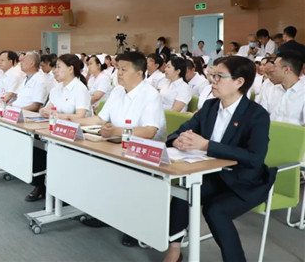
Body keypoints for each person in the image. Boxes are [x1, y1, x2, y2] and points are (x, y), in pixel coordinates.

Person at [164, 56, 275, 262]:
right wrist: (177, 140)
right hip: (213, 175)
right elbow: (180, 131)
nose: (212, 81)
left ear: (239, 82)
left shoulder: (256, 115)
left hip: (245, 181)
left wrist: (207, 145)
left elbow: (254, 158)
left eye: (219, 77)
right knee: (183, 194)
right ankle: (174, 250)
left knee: (216, 210)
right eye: (212, 76)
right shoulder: (210, 106)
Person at [70, 51, 166, 245]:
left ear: (139, 73)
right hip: (116, 145)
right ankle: (106, 214)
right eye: (118, 68)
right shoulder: (117, 91)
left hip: (145, 152)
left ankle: (136, 227)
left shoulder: (150, 95)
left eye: (124, 69)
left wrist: (117, 131)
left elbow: (149, 131)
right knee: (94, 165)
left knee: (126, 177)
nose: (119, 73)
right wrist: (73, 121)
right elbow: (100, 119)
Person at [29, 54, 90, 203]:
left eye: (58, 67)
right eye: (55, 67)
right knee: (34, 143)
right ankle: (40, 184)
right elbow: (47, 108)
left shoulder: (80, 89)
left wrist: (58, 115)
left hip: (76, 135)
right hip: (56, 130)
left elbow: (80, 116)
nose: (54, 71)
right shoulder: (57, 89)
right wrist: (44, 111)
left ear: (70, 69)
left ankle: (62, 192)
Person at [265, 51, 305, 125]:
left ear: (286, 70)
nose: (272, 70)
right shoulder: (275, 90)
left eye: (275, 66)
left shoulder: (302, 94)